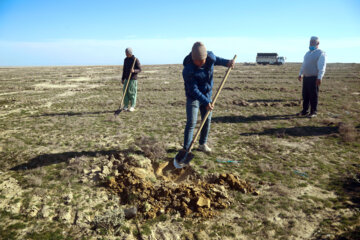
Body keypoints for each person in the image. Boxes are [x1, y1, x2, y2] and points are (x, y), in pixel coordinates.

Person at [181, 41, 235, 156]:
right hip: (193, 97)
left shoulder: (210, 57)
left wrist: (228, 62)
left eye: (202, 61)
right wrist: (206, 102)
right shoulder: (188, 69)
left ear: (206, 57)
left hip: (207, 94)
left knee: (207, 120)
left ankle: (202, 144)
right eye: (197, 61)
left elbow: (218, 60)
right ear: (192, 58)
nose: (200, 63)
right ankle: (186, 149)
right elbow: (193, 90)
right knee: (192, 122)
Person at [298, 36, 326, 118]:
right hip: (306, 78)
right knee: (305, 95)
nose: (311, 43)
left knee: (313, 95)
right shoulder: (307, 53)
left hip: (314, 78)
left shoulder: (320, 53)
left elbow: (322, 66)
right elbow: (304, 65)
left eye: (313, 42)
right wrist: (300, 74)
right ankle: (305, 111)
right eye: (310, 42)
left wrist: (319, 77)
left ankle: (313, 112)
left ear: (318, 43)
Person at [121, 47, 141, 112]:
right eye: (125, 52)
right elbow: (124, 70)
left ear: (130, 53)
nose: (125, 54)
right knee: (125, 92)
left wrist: (134, 70)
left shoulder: (135, 59)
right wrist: (123, 78)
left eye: (126, 52)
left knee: (132, 93)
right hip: (127, 79)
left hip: (133, 79)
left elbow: (140, 69)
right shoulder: (125, 60)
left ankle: (132, 106)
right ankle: (126, 106)